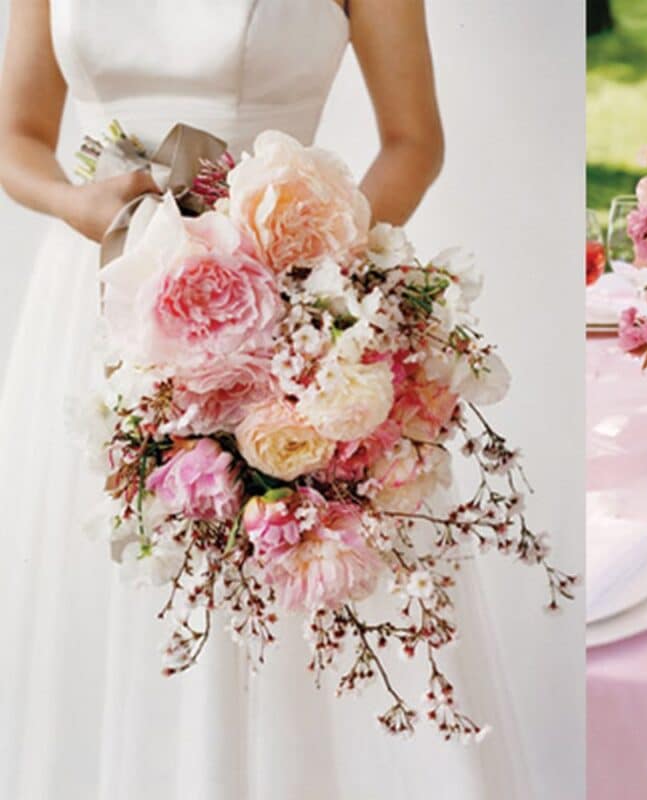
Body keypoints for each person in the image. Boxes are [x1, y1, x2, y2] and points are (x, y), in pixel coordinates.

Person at [0, 1, 530, 797]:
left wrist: (310, 289)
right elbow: (17, 134)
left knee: (287, 589)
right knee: (109, 603)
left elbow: (413, 142)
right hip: (100, 299)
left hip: (279, 300)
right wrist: (75, 203)